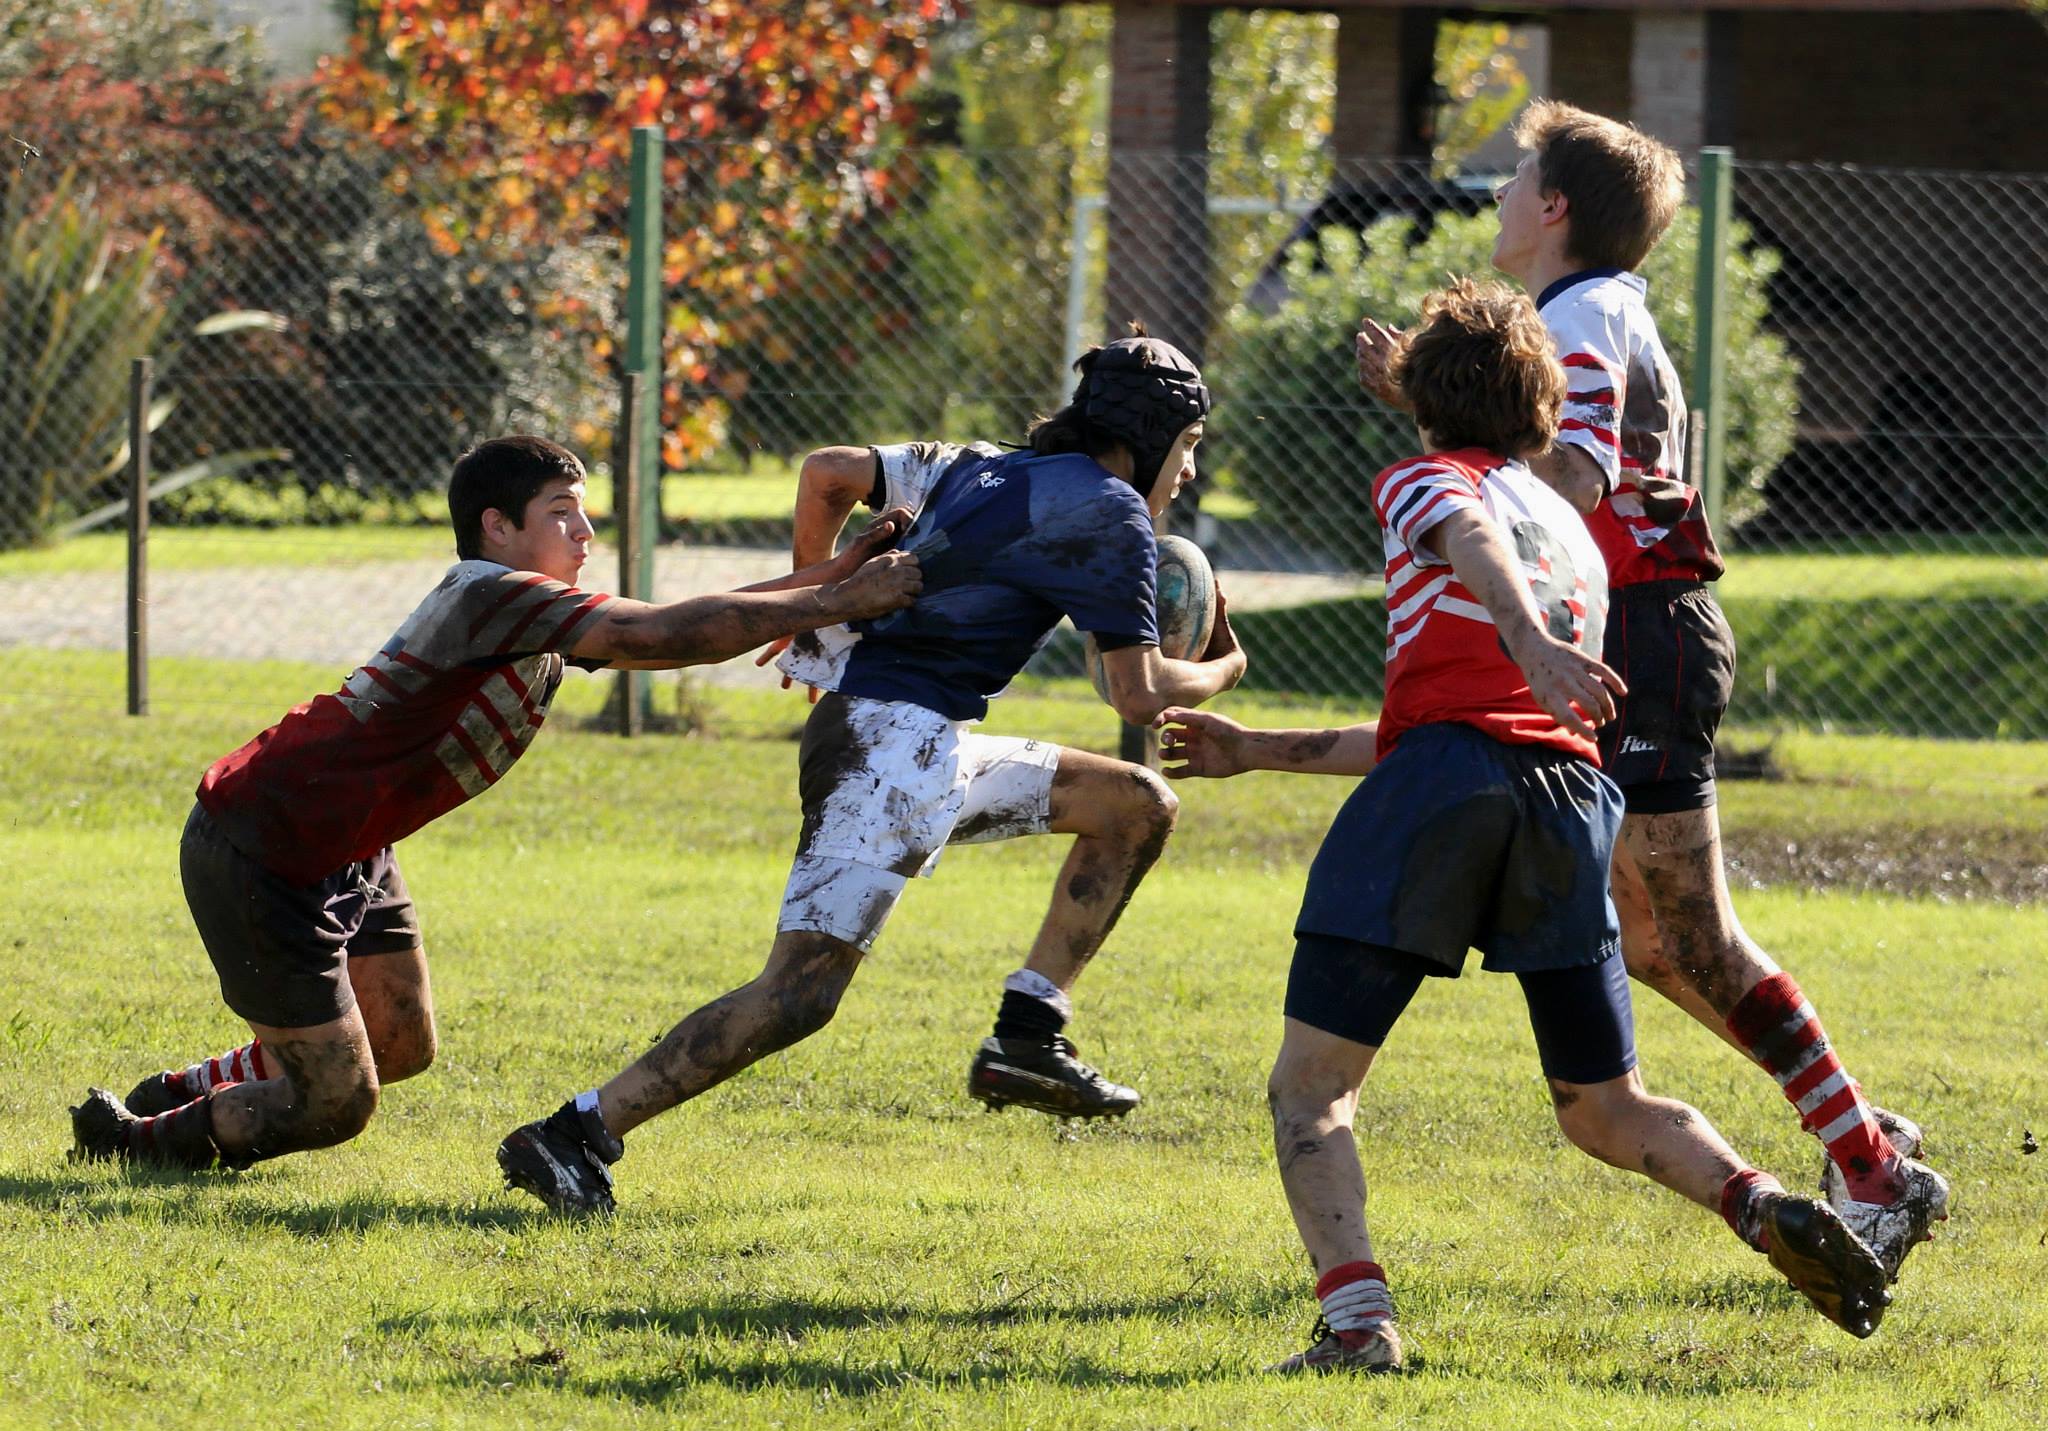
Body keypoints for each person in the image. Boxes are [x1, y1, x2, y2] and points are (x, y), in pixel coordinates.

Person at [1162, 280, 1891, 1373]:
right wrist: (1254, 747)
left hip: (1446, 788)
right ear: (1542, 409)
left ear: (1421, 394)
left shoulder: (1424, 481)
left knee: (1311, 1090)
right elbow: (1454, 716)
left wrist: (1529, 643)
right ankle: (1759, 1203)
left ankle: (1359, 1325)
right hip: (1566, 797)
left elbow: (1464, 544)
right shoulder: (1572, 532)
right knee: (1603, 1106)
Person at [1352, 100, 1946, 1283]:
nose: (1498, 196)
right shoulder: (1588, 309)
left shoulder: (1581, 314)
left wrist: (1433, 417)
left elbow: (1572, 476)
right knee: (1652, 943)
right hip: (1626, 631)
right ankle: (1856, 1128)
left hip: (1643, 633)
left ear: (1554, 207)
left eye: (1514, 177)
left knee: (1687, 934)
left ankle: (1874, 1167)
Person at [497, 334, 1248, 1215]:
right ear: (1151, 433)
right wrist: (1227, 666)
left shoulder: (976, 463)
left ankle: (1028, 1032)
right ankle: (576, 1131)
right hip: (889, 750)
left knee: (1134, 803)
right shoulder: (1113, 509)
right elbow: (1139, 692)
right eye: (1188, 446)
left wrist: (814, 614)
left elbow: (826, 472)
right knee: (798, 993)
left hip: (914, 740)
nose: (1187, 471)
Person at [70, 435, 922, 1172]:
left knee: (400, 1041)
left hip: (348, 842)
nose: (585, 532)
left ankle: (184, 1090)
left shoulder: (529, 609)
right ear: (498, 527)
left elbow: (667, 619)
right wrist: (838, 600)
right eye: (561, 512)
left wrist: (834, 572)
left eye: (584, 513)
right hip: (264, 843)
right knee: (335, 1103)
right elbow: (654, 634)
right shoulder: (489, 593)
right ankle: (131, 1141)